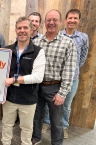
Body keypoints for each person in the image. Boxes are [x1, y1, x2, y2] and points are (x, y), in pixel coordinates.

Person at [42, 9, 89, 139]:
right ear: (65, 20)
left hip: (72, 78)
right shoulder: (57, 34)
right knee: (51, 103)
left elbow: (83, 57)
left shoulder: (83, 37)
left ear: (79, 20)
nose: (72, 20)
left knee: (66, 104)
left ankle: (64, 126)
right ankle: (47, 122)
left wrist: (71, 69)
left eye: (75, 18)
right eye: (70, 18)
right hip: (56, 79)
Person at [31, 9, 77, 145]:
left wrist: (62, 93)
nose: (51, 23)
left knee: (56, 120)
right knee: (36, 115)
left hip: (55, 87)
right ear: (44, 23)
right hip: (37, 86)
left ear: (60, 22)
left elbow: (69, 70)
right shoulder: (37, 42)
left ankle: (57, 142)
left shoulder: (68, 43)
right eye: (49, 20)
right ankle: (36, 137)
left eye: (55, 20)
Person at [1, 16, 46, 145]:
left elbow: (37, 77)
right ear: (16, 30)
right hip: (9, 98)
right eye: (19, 28)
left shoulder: (38, 52)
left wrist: (13, 79)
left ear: (32, 30)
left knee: (26, 129)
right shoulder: (7, 50)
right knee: (6, 125)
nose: (22, 30)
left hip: (28, 99)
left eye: (25, 27)